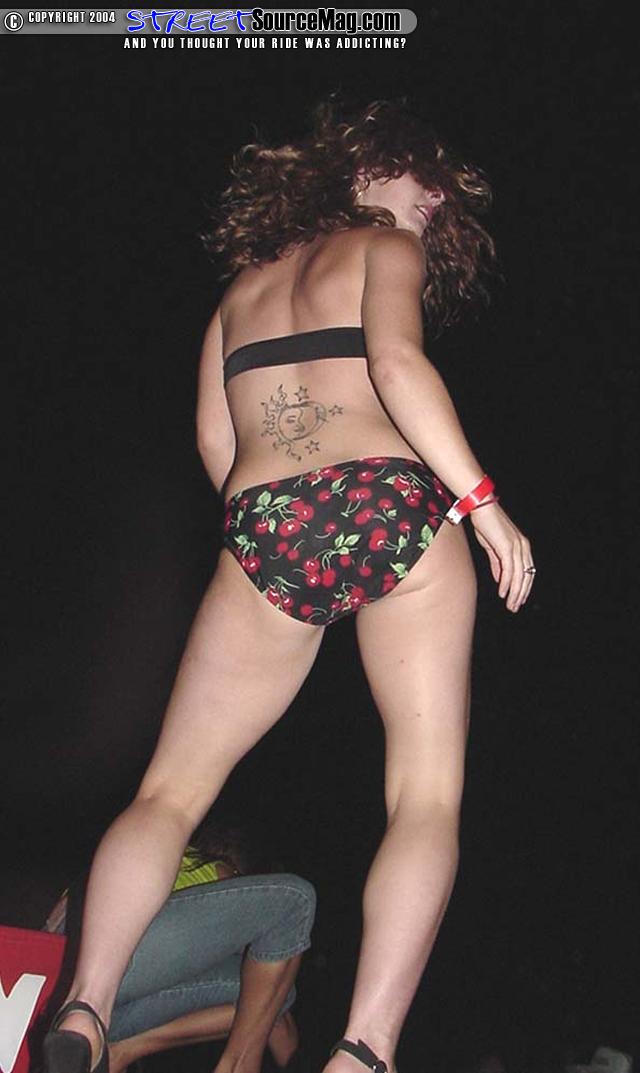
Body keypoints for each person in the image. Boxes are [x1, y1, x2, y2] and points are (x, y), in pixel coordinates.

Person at [42, 95, 535, 1073]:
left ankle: (86, 1002)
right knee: (426, 791)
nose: (433, 203)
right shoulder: (382, 247)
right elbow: (396, 363)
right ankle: (365, 1046)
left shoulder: (240, 291)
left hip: (267, 520)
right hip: (389, 500)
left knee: (171, 790)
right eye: (423, 180)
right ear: (361, 173)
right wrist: (481, 501)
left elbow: (214, 440)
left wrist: (275, 529)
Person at [44, 819, 314, 1073]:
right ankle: (237, 1065)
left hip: (64, 990)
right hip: (94, 966)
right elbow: (266, 959)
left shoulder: (123, 860)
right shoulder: (216, 870)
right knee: (293, 902)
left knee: (275, 995)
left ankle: (118, 1048)